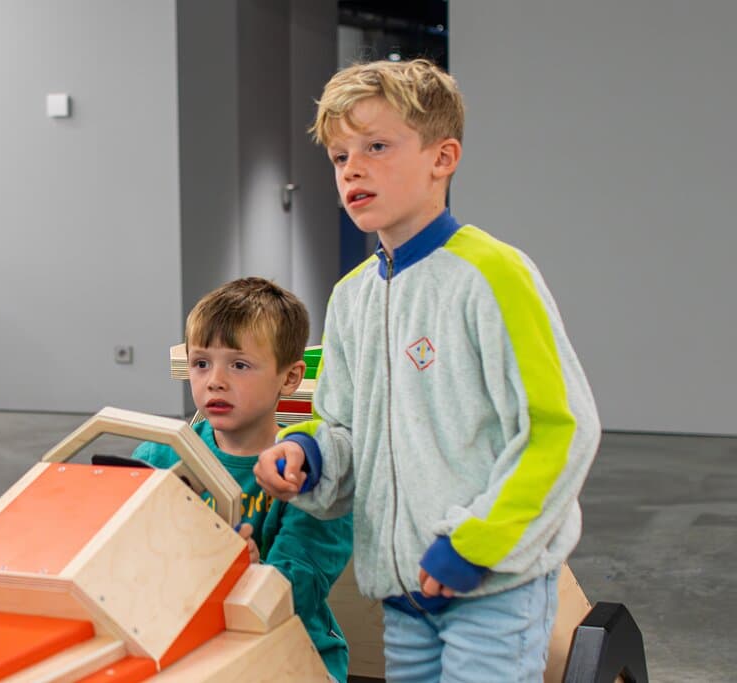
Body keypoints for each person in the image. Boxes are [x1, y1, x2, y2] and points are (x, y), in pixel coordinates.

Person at [254, 59, 601, 682]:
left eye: (377, 146)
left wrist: (475, 545)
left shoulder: (495, 275)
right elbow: (343, 428)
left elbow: (561, 429)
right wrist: (309, 454)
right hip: (402, 590)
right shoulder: (352, 296)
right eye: (338, 157)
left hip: (490, 584)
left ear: (443, 158)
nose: (352, 168)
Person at [132, 277, 352, 682]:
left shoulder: (312, 474)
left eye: (239, 364)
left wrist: (251, 576)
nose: (215, 380)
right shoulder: (158, 456)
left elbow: (300, 589)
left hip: (292, 654)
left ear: (289, 378)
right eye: (201, 363)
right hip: (182, 646)